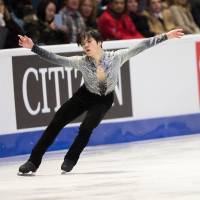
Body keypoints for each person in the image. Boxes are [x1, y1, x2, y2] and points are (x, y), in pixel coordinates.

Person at [18, 28, 184, 174]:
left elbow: (142, 46)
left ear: (100, 42)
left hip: (104, 100)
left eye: (89, 41)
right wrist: (33, 47)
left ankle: (70, 159)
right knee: (57, 121)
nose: (86, 45)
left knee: (86, 127)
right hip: (84, 95)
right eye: (83, 44)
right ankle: (33, 161)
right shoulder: (81, 62)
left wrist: (166, 36)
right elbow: (56, 58)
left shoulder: (117, 57)